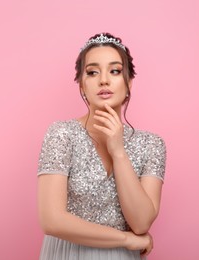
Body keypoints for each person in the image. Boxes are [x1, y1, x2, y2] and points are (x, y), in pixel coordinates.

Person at [37, 33, 167, 260]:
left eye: (115, 71)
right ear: (82, 86)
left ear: (129, 83)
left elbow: (141, 222)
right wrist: (127, 240)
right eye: (92, 72)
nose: (104, 80)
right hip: (68, 253)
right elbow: (51, 220)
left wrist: (118, 151)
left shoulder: (151, 145)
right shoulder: (62, 134)